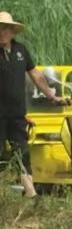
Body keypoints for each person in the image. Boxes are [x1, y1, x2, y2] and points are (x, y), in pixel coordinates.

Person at [0, 11, 67, 198]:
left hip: (17, 115)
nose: (2, 32)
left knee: (23, 154)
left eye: (6, 29)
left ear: (13, 31)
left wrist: (52, 97)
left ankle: (31, 196)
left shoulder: (21, 50)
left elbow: (36, 76)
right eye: (0, 28)